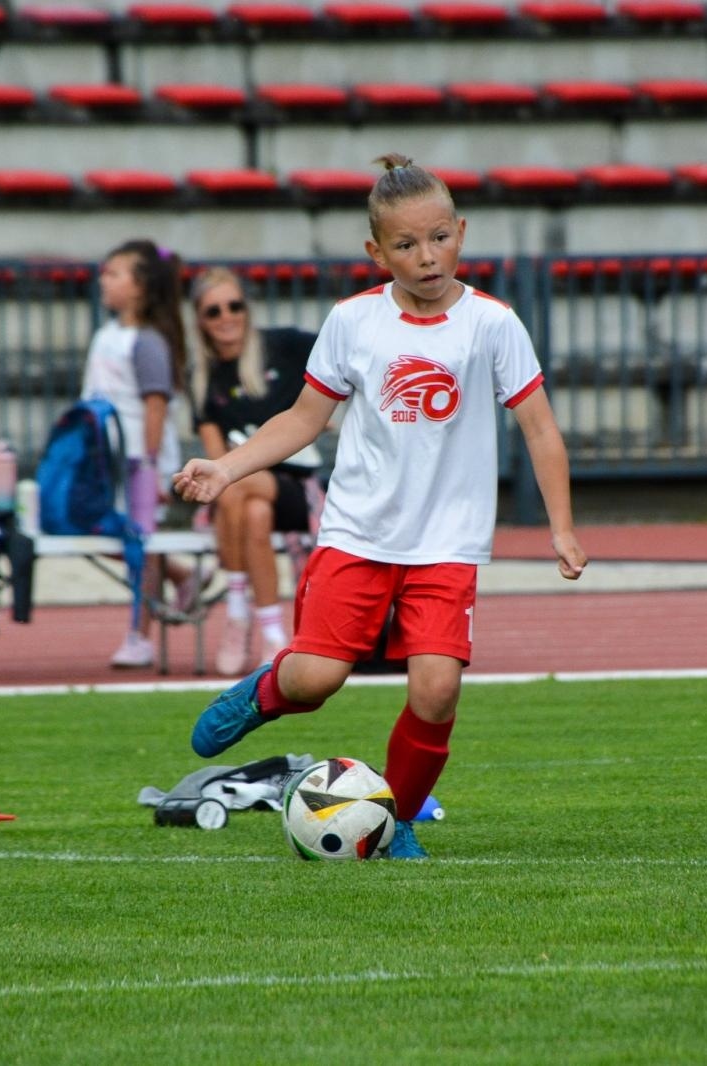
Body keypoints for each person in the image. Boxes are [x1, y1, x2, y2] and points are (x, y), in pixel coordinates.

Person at [174, 154, 588, 859]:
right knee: (315, 679)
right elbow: (302, 420)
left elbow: (540, 427)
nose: (427, 257)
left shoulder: (493, 325)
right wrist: (226, 467)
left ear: (461, 231)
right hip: (358, 532)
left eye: (439, 238)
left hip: (447, 543)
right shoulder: (353, 321)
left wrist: (562, 527)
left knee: (436, 691)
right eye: (405, 245)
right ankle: (265, 692)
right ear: (377, 251)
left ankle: (394, 821)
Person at [187, 266, 320, 675]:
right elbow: (215, 461)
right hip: (244, 493)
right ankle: (272, 633)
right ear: (200, 321)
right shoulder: (203, 379)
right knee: (250, 509)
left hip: (297, 484)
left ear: (247, 309)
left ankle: (237, 608)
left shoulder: (282, 345)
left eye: (234, 305)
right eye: (213, 311)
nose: (226, 316)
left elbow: (345, 352)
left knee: (232, 488)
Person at [81, 239, 188, 668]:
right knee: (101, 535)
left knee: (138, 548)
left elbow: (154, 406)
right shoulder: (108, 334)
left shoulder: (146, 342)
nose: (103, 280)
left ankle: (138, 636)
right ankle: (180, 572)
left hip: (137, 465)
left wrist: (148, 465)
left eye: (114, 273)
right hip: (105, 461)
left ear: (141, 287)